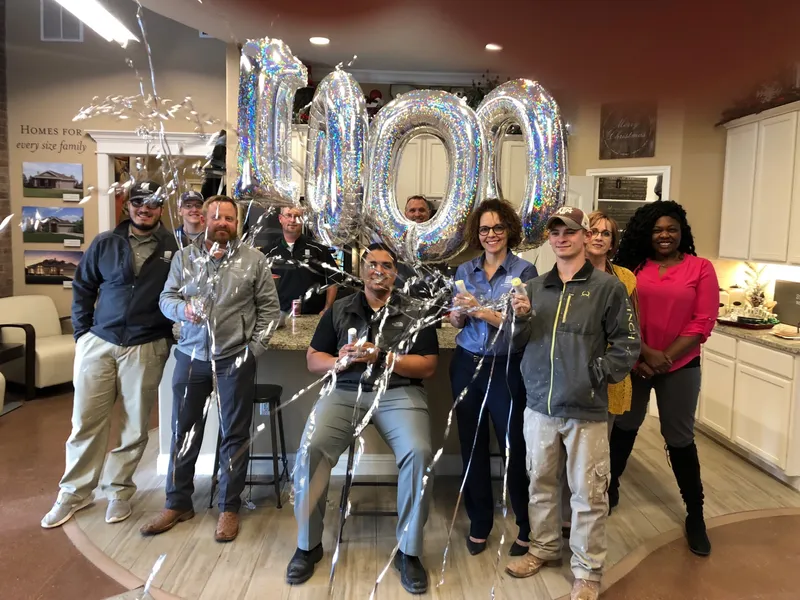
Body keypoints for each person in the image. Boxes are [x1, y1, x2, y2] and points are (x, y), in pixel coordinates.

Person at [286, 243, 438, 594]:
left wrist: (383, 357)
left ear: (396, 272)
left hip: (399, 392)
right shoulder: (340, 309)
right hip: (344, 391)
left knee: (418, 452)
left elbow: (428, 365)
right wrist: (337, 362)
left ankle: (409, 553)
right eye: (372, 264)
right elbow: (313, 360)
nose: (379, 270)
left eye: (387, 265)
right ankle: (308, 546)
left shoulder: (416, 311)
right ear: (363, 269)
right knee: (312, 447)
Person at [505, 206, 640, 600]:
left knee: (588, 495)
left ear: (584, 237)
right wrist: (521, 320)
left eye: (569, 231)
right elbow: (517, 343)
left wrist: (594, 375)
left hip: (586, 410)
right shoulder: (532, 288)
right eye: (555, 232)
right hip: (540, 407)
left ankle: (587, 570)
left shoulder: (608, 288)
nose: (561, 238)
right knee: (541, 485)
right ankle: (544, 549)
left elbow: (627, 344)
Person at [141, 195, 280, 542]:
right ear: (203, 219)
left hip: (235, 357)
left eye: (229, 219)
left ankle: (229, 508)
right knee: (184, 430)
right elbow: (165, 298)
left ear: (237, 224)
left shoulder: (254, 261)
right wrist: (183, 310)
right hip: (191, 357)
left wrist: (254, 350)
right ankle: (177, 503)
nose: (222, 223)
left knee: (234, 434)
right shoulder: (185, 258)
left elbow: (270, 311)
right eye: (215, 216)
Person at [41, 181, 178, 529]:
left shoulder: (174, 248)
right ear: (127, 206)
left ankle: (119, 492)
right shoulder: (106, 242)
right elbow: (83, 287)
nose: (144, 209)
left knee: (134, 426)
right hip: (99, 342)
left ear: (161, 208)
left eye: (152, 203)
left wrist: (166, 337)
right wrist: (83, 334)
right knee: (86, 421)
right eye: (138, 202)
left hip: (147, 345)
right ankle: (74, 492)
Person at [610, 200, 718, 557]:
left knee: (680, 438)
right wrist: (642, 355)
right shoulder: (631, 268)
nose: (665, 235)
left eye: (671, 228)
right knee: (624, 427)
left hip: (680, 366)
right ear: (647, 233)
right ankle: (610, 489)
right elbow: (619, 316)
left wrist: (663, 357)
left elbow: (702, 322)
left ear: (682, 231)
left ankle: (695, 515)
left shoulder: (700, 268)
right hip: (634, 362)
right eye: (657, 229)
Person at [449, 198, 537, 557]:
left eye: (498, 228)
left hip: (506, 368)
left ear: (509, 230)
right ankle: (480, 520)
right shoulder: (463, 271)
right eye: (484, 229)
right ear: (476, 233)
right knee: (471, 447)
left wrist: (481, 311)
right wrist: (457, 314)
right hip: (467, 363)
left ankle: (526, 525)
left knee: (514, 447)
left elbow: (522, 326)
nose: (491, 235)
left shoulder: (525, 272)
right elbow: (457, 320)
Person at [560, 211, 638, 536]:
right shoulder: (568, 274)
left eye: (606, 234)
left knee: (595, 460)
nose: (598, 237)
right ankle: (565, 519)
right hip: (573, 380)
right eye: (593, 231)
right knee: (567, 455)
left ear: (612, 243)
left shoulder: (626, 279)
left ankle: (588, 525)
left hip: (609, 380)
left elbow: (633, 331)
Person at [261, 205, 338, 319]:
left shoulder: (319, 249)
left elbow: (334, 280)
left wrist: (327, 309)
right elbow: (260, 287)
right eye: (288, 215)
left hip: (313, 316)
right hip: (280, 317)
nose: (292, 220)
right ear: (280, 219)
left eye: (297, 216)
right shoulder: (267, 252)